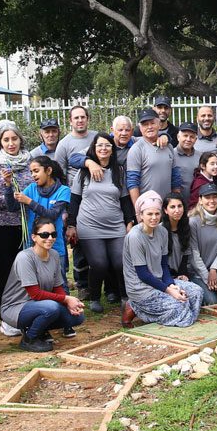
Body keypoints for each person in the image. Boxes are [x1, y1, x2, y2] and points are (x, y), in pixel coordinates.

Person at [67, 133, 134, 313]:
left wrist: (129, 221)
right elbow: (74, 200)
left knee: (120, 262)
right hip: (89, 225)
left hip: (115, 225)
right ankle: (95, 297)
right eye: (99, 146)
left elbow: (125, 199)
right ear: (93, 149)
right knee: (99, 263)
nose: (103, 149)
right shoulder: (83, 172)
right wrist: (72, 225)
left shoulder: (119, 171)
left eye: (107, 145)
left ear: (112, 149)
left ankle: (125, 296)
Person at [0, 216, 86, 352]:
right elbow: (35, 293)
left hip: (40, 304)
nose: (50, 238)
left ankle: (41, 329)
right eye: (44, 235)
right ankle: (29, 338)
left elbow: (57, 287)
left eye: (53, 234)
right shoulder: (25, 257)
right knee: (51, 308)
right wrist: (66, 299)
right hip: (16, 307)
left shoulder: (55, 255)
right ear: (34, 237)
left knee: (77, 316)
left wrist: (68, 303)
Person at [121, 192, 204, 328]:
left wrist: (171, 285)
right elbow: (143, 274)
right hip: (141, 288)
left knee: (196, 293)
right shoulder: (135, 237)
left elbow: (163, 265)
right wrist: (170, 291)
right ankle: (137, 307)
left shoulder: (162, 232)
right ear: (141, 215)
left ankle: (183, 317)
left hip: (160, 282)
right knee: (180, 305)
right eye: (149, 214)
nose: (154, 218)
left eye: (157, 214)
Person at [0, 126, 35, 335]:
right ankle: (5, 316)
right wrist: (14, 197)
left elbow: (36, 192)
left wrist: (26, 200)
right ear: (0, 143)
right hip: (1, 227)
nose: (11, 143)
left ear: (20, 140)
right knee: (3, 272)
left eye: (14, 139)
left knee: (25, 272)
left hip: (26, 225)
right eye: (6, 140)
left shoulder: (30, 163)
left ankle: (24, 311)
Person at [9, 156, 71, 286]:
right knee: (34, 281)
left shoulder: (63, 190)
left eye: (36, 171)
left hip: (54, 245)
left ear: (48, 171)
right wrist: (8, 187)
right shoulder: (31, 188)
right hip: (33, 245)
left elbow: (51, 215)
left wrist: (29, 201)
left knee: (59, 283)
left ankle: (64, 306)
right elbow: (13, 207)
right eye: (31, 172)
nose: (33, 175)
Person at [126, 107, 182, 206]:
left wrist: (176, 203)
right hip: (148, 208)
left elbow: (175, 177)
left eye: (152, 123)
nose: (149, 127)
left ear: (159, 124)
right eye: (145, 124)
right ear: (140, 128)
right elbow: (132, 183)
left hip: (167, 206)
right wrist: (138, 210)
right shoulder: (136, 149)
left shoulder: (168, 147)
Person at [53, 105, 97, 185]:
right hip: (75, 190)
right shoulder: (63, 144)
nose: (80, 120)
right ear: (70, 121)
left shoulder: (97, 137)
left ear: (88, 119)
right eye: (76, 118)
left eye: (83, 117)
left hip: (98, 186)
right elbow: (59, 174)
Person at [173, 122, 202, 191]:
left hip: (197, 199)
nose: (188, 139)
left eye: (192, 137)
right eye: (185, 136)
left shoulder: (201, 156)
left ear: (196, 139)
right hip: (177, 199)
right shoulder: (171, 155)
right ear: (178, 137)